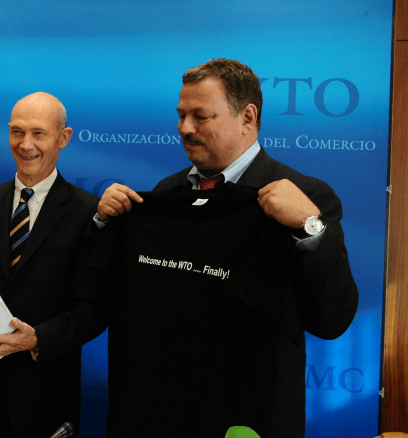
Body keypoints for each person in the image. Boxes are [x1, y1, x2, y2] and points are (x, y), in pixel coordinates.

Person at [96, 59, 358, 438]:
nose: (185, 128)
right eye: (181, 115)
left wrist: (309, 226)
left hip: (247, 417)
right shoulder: (166, 193)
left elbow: (332, 320)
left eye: (201, 116)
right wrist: (103, 223)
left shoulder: (307, 196)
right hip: (163, 410)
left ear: (247, 117)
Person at [0, 92, 106, 438]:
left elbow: (94, 310)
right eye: (17, 132)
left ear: (63, 138)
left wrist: (37, 338)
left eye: (39, 133)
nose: (25, 145)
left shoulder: (87, 213)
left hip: (43, 399)